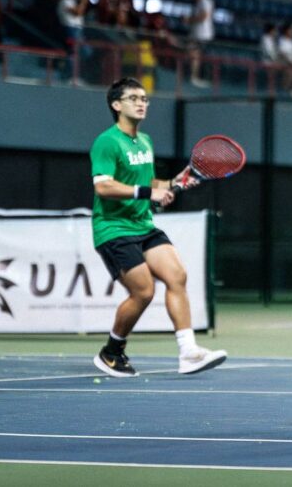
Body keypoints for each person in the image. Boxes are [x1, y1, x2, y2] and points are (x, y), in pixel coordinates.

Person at [90, 77, 227, 377]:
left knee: (177, 275)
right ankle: (111, 352)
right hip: (114, 228)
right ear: (116, 105)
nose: (142, 103)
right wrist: (146, 193)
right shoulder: (107, 142)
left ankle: (188, 352)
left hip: (143, 224)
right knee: (143, 291)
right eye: (133, 98)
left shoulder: (145, 141)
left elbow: (147, 184)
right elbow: (103, 186)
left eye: (144, 99)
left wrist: (173, 184)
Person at [56, 0, 91, 82]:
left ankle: (73, 75)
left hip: (77, 29)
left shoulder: (71, 1)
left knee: (82, 53)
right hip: (71, 29)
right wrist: (84, 1)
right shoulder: (64, 1)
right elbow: (78, 12)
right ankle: (69, 76)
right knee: (74, 53)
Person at [184, 0, 214, 88]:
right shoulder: (198, 2)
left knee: (195, 55)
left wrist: (189, 20)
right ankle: (193, 76)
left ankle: (195, 77)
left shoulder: (205, 1)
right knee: (193, 54)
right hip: (196, 34)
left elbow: (204, 16)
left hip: (202, 35)